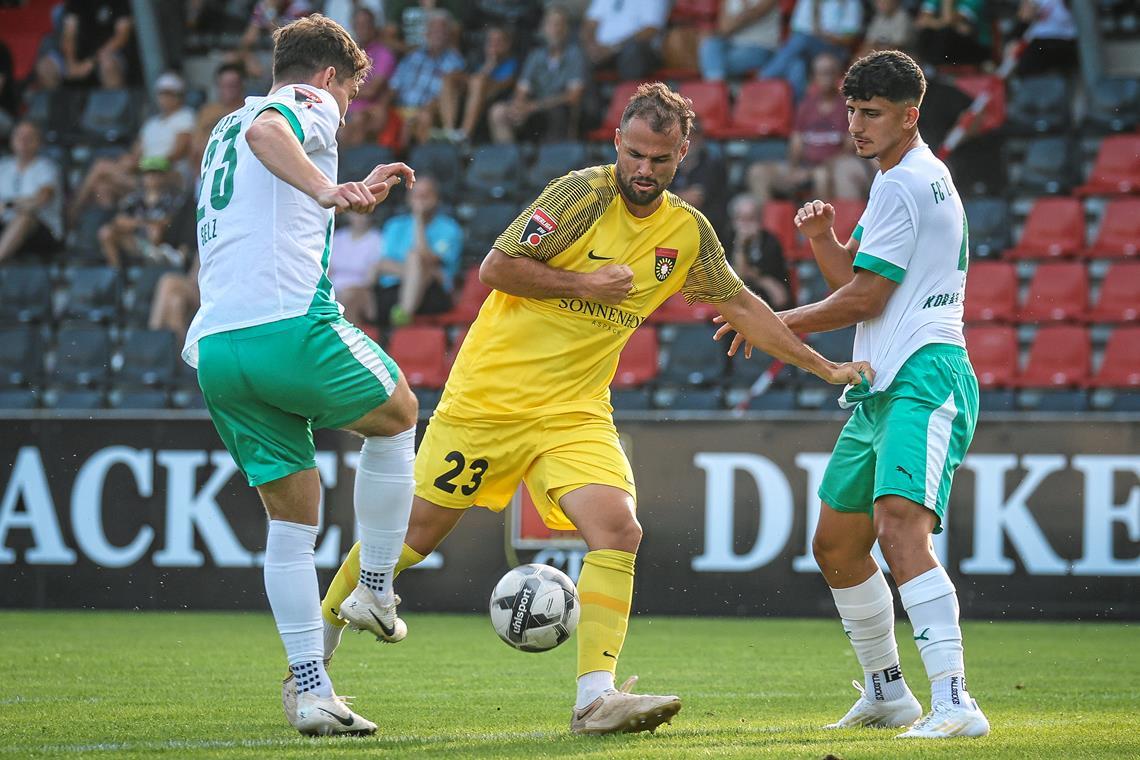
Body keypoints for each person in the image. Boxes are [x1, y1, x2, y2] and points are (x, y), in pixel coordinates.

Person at [318, 82, 872, 735]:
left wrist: (823, 364)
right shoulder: (581, 195)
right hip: (491, 398)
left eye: (659, 159)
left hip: (575, 410)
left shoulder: (686, 231)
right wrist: (586, 282)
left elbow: (743, 305)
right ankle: (311, 672)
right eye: (634, 153)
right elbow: (495, 270)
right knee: (411, 539)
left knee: (619, 530)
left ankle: (594, 699)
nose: (643, 169)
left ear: (682, 154)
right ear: (616, 142)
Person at [716, 50, 989, 738]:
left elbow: (865, 297)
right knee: (837, 545)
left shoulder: (905, 182)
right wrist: (822, 239)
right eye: (852, 111)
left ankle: (957, 702)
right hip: (880, 384)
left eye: (871, 113)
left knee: (900, 529)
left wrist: (772, 323)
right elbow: (859, 281)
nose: (857, 125)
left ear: (910, 115)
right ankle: (888, 693)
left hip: (924, 375)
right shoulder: (900, 179)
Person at [181, 13, 418, 737]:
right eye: (350, 91)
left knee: (292, 524)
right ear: (327, 77)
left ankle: (312, 689)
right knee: (401, 412)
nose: (346, 107)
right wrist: (327, 187)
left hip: (219, 348)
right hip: (289, 328)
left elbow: (255, 159)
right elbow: (271, 135)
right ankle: (375, 587)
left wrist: (334, 187)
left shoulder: (220, 127)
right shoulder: (301, 108)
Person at [749, 52, 872, 203]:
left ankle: (823, 224)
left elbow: (847, 150)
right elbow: (796, 143)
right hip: (804, 166)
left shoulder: (849, 107)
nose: (825, 78)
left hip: (829, 168)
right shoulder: (805, 106)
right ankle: (766, 224)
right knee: (758, 172)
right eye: (820, 73)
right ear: (814, 77)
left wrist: (812, 171)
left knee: (820, 175)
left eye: (829, 73)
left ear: (838, 76)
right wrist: (794, 169)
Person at [488, 4, 587, 144]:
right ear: (544, 29)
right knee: (498, 112)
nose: (555, 30)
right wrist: (519, 106)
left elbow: (573, 97)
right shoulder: (536, 55)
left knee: (556, 113)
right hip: (532, 110)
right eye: (551, 25)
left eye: (559, 25)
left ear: (566, 29)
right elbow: (522, 90)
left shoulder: (575, 55)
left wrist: (536, 106)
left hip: (556, 110)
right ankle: (511, 158)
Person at [374, 175, 463, 326]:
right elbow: (383, 264)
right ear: (408, 198)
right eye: (416, 194)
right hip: (393, 288)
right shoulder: (394, 225)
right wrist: (413, 273)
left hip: (433, 292)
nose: (421, 198)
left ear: (437, 198)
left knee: (416, 257)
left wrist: (418, 219)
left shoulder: (449, 228)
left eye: (426, 194)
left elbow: (426, 259)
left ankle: (404, 313)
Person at [760, 0, 863, 100]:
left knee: (802, 40)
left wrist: (826, 37)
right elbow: (797, 30)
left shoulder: (850, 2)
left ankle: (763, 78)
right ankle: (798, 109)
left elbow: (850, 38)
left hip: (835, 49)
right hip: (808, 48)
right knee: (797, 66)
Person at [97, 156, 184, 268]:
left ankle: (153, 268)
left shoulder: (173, 197)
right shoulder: (135, 197)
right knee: (106, 233)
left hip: (164, 244)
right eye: (148, 173)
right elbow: (119, 220)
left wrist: (146, 225)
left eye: (156, 173)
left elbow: (169, 221)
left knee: (155, 232)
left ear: (164, 176)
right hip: (137, 241)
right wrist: (143, 224)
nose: (152, 177)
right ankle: (117, 275)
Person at [437, 25, 519, 143]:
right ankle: (449, 131)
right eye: (491, 41)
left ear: (507, 45)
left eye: (498, 41)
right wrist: (488, 65)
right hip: (473, 92)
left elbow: (504, 84)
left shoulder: (511, 62)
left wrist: (491, 64)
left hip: (496, 96)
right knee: (449, 78)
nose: (493, 44)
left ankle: (465, 134)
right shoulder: (477, 58)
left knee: (478, 81)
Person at [0, 121, 63, 263]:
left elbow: (41, 199)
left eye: (29, 137)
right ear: (12, 140)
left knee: (24, 217)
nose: (23, 141)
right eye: (19, 136)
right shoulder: (3, 167)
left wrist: (8, 204)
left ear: (38, 142)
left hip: (43, 231)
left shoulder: (46, 168)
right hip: (6, 226)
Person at [727, 194, 791, 310]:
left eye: (751, 219)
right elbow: (739, 275)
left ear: (759, 220)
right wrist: (740, 245)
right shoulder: (726, 238)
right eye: (741, 219)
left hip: (768, 300)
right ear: (733, 221)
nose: (745, 225)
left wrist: (761, 280)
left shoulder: (770, 241)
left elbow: (769, 274)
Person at [581, 0, 669, 81]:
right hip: (601, 50)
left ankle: (627, 96)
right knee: (578, 51)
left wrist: (613, 48)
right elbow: (590, 23)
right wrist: (591, 45)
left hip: (635, 50)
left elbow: (651, 29)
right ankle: (587, 97)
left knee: (632, 50)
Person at [698, 0, 782, 82]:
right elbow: (724, 28)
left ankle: (716, 88)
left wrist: (736, 20)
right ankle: (718, 88)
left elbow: (754, 14)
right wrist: (742, 16)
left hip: (761, 48)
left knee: (714, 61)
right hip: (731, 45)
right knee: (711, 43)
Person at [329, 210, 384, 325]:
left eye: (364, 213)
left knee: (349, 296)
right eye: (355, 213)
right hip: (334, 288)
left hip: (360, 290)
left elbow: (371, 279)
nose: (359, 217)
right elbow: (328, 270)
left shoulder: (377, 239)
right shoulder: (338, 237)